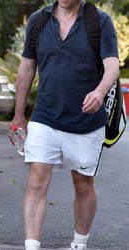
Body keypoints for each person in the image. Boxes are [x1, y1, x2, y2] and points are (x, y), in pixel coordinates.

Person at [10, 0, 119, 250]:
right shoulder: (39, 20)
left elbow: (112, 65)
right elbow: (27, 67)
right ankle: (31, 246)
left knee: (82, 183)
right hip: (45, 116)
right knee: (36, 180)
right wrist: (18, 114)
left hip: (86, 121)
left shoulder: (99, 21)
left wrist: (100, 92)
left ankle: (79, 244)